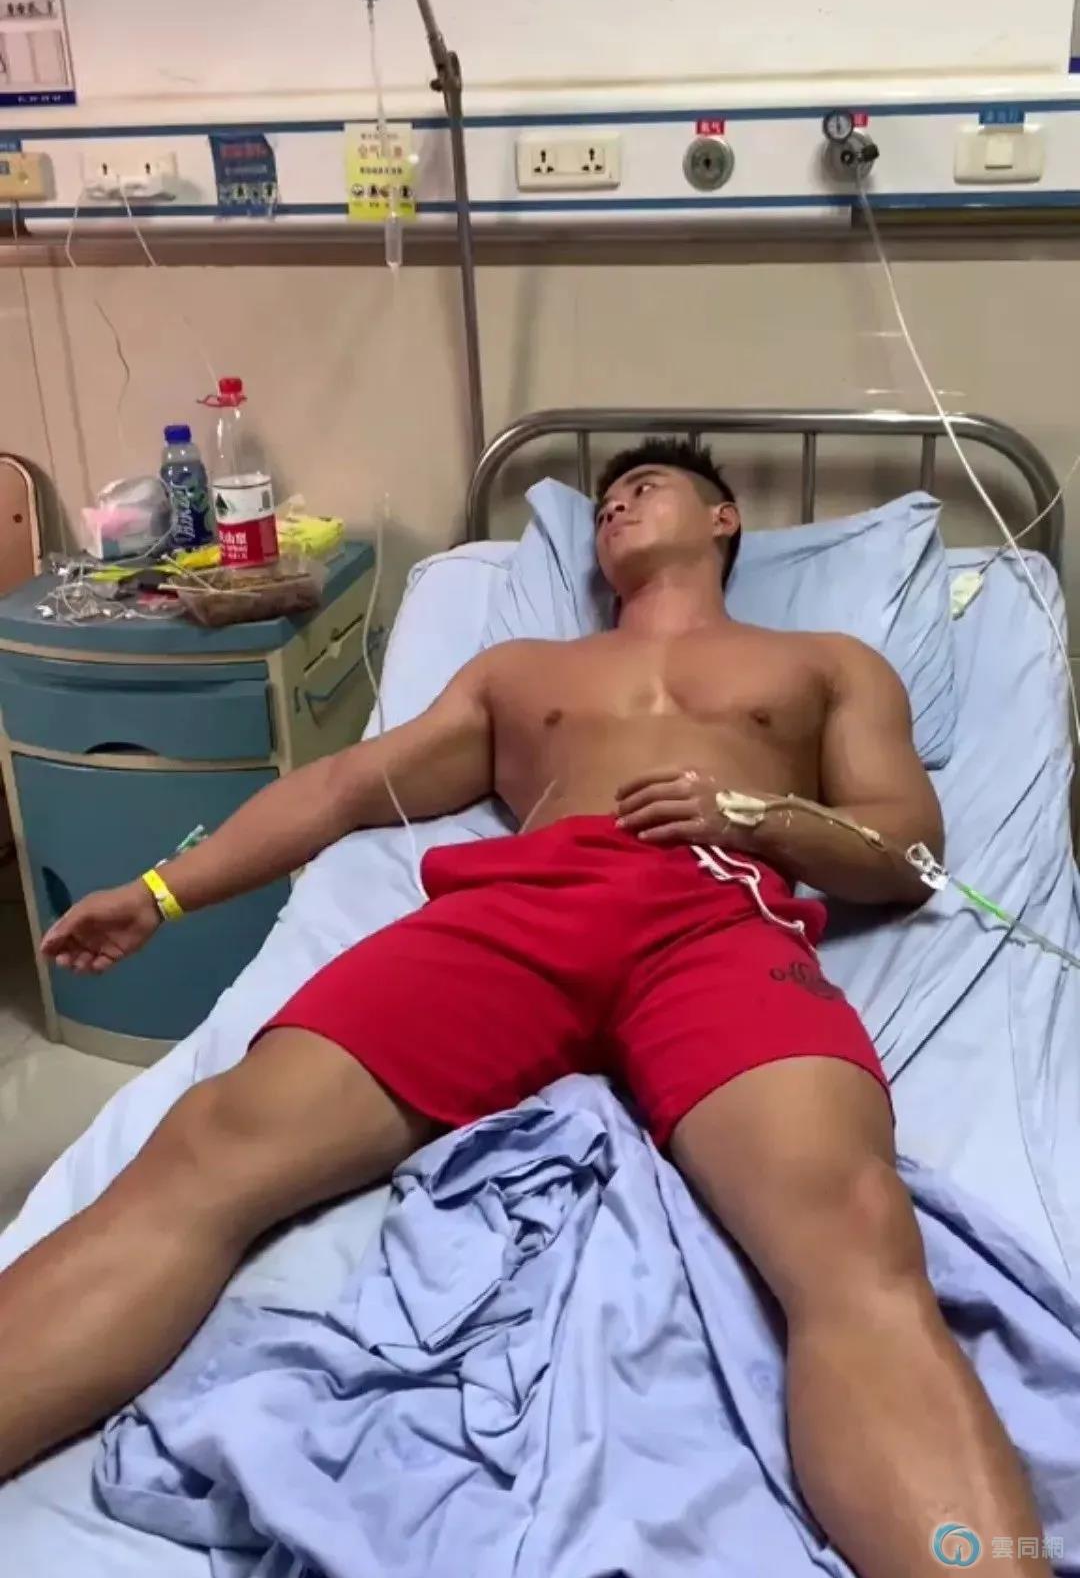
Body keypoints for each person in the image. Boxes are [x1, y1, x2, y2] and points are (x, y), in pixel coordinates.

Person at [0, 439, 1049, 1577]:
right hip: (520, 915)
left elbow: (910, 849)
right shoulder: (521, 673)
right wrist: (160, 892)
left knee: (855, 1233)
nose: (618, 503)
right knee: (208, 1145)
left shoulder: (827, 662)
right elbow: (344, 787)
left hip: (716, 912)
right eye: (603, 499)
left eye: (648, 486)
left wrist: (755, 814)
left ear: (726, 518)